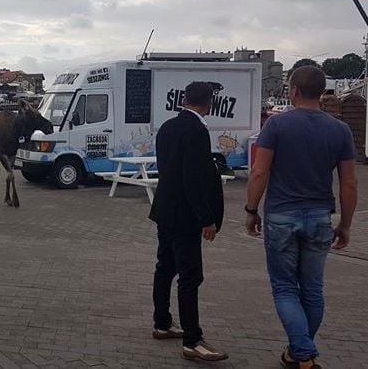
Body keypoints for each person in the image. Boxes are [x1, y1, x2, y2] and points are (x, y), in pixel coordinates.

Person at [245, 66, 358, 369]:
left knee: (284, 287)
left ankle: (303, 353)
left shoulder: (277, 126)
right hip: (321, 216)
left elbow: (259, 171)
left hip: (281, 215)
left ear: (293, 90)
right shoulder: (340, 130)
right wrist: (345, 225)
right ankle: (298, 353)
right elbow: (349, 182)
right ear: (321, 92)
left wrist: (251, 210)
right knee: (312, 289)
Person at [149, 81, 228, 361]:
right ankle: (193, 340)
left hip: (164, 210)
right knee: (190, 275)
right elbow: (192, 178)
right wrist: (206, 218)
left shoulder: (168, 127)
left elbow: (170, 170)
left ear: (184, 99)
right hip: (185, 216)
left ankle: (162, 322)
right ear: (209, 104)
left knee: (165, 266)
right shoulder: (196, 130)